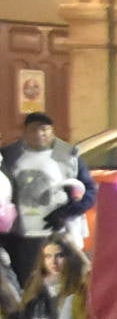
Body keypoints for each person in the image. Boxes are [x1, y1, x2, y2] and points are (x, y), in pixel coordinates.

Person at [2, 110, 84, 286]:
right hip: (21, 237)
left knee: (56, 284)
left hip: (54, 235)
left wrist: (65, 213)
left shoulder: (67, 154)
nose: (40, 134)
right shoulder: (10, 155)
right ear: (25, 132)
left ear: (52, 131)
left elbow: (87, 191)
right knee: (27, 285)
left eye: (44, 129)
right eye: (33, 129)